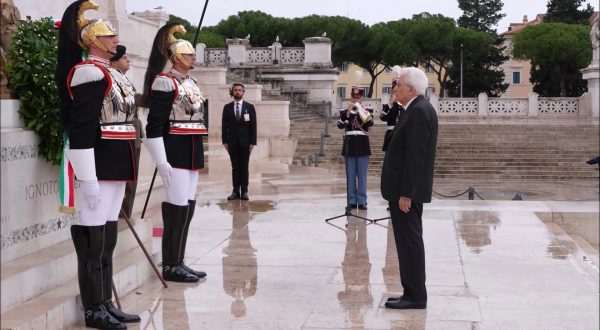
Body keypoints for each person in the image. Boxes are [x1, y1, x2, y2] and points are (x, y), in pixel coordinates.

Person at [55, 0, 140, 328]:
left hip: (117, 163)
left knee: (106, 238)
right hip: (99, 164)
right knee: (93, 240)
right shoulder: (88, 72)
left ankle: (105, 301)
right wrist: (88, 179)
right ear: (92, 41)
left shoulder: (109, 72)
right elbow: (82, 128)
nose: (114, 40)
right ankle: (94, 310)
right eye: (108, 36)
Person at [142, 23, 208, 283]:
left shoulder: (190, 81)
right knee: (176, 207)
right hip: (175, 149)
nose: (193, 58)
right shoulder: (165, 82)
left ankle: (179, 260)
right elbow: (154, 124)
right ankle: (169, 264)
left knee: (188, 208)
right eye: (189, 54)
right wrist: (161, 160)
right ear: (178, 56)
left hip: (192, 149)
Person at [380, 67, 438, 310]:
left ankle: (415, 296)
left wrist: (407, 194)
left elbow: (416, 157)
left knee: (410, 243)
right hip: (402, 190)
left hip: (406, 193)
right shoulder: (412, 109)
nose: (395, 88)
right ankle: (410, 291)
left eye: (399, 85)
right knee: (406, 243)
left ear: (411, 89)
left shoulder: (419, 111)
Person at [108, 45, 143, 220]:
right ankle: (118, 214)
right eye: (124, 58)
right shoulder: (113, 81)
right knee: (124, 180)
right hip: (122, 133)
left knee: (132, 181)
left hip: (134, 134)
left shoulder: (126, 81)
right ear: (113, 63)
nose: (128, 60)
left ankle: (125, 213)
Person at [337, 87, 373, 210]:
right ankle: (351, 200)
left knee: (362, 176)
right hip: (349, 146)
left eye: (358, 97)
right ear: (351, 97)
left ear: (362, 98)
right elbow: (340, 125)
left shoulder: (367, 110)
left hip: (362, 145)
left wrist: (360, 110)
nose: (356, 99)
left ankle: (362, 200)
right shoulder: (344, 111)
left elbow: (369, 123)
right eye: (354, 97)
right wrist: (348, 112)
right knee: (350, 175)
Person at [221, 83, 257, 201]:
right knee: (235, 167)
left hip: (245, 143)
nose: (238, 92)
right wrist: (224, 141)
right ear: (232, 92)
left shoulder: (250, 107)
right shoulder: (227, 107)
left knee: (244, 167)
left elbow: (253, 126)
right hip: (232, 143)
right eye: (236, 90)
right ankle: (235, 191)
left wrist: (252, 142)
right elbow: (224, 126)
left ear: (243, 92)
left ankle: (245, 191)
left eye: (240, 90)